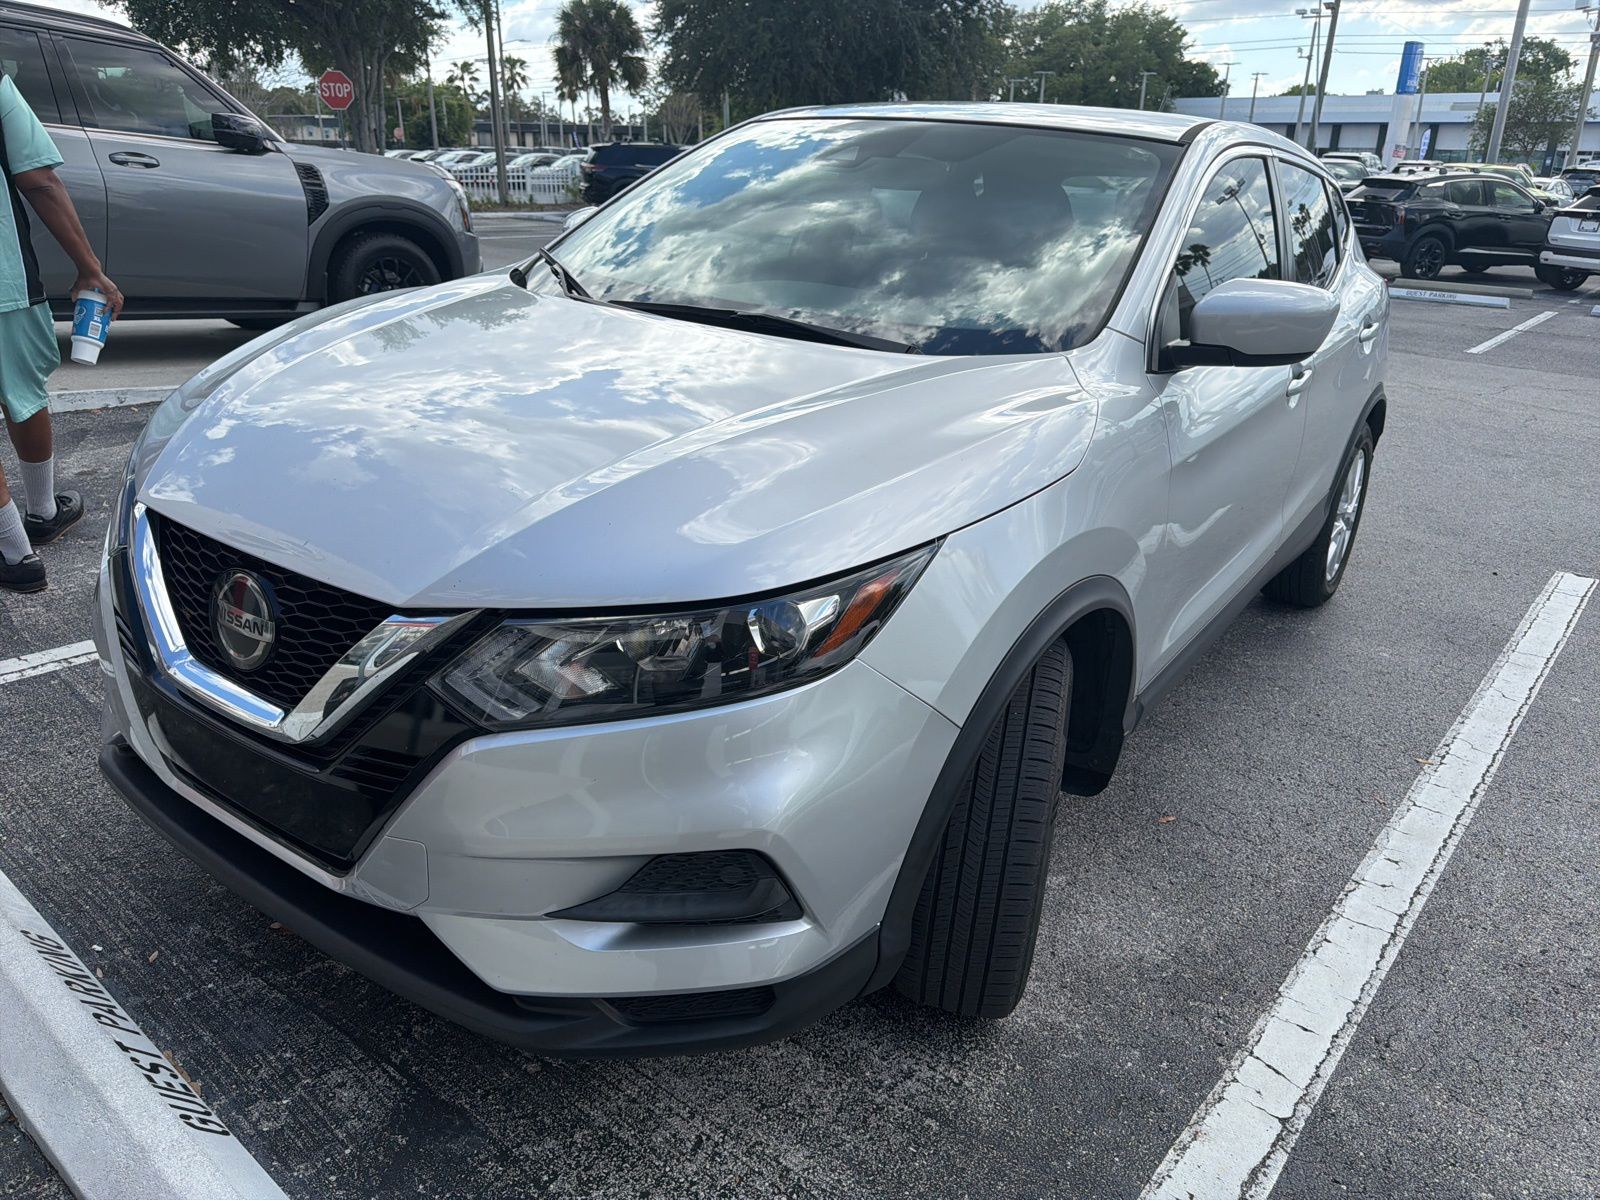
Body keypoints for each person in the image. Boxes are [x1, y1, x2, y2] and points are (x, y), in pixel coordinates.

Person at [0, 70, 123, 593]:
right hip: (8, 274)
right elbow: (41, 181)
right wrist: (90, 269)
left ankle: (14, 553)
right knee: (24, 393)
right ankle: (43, 512)